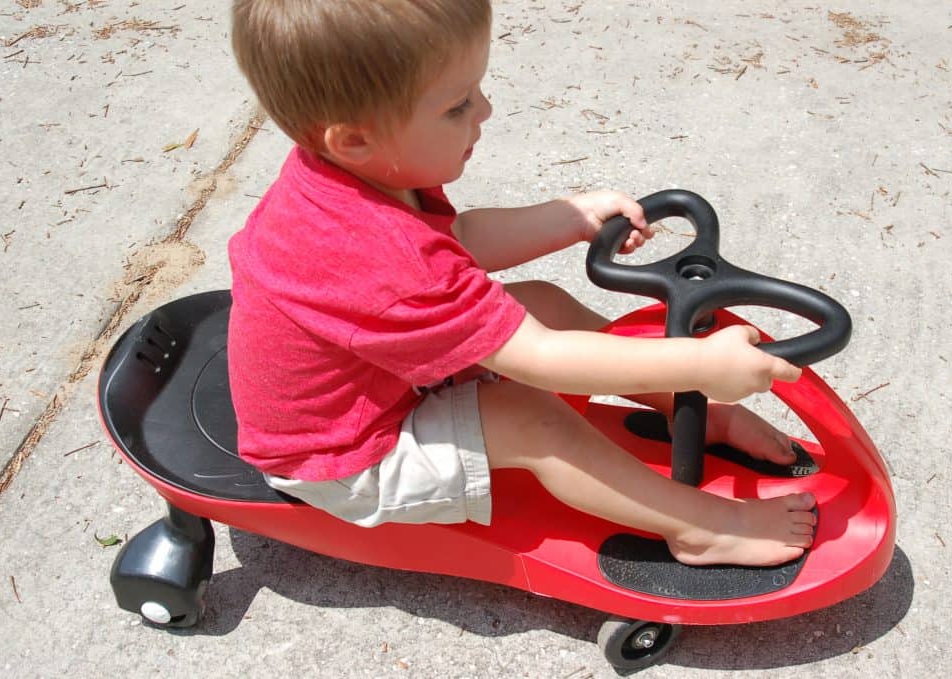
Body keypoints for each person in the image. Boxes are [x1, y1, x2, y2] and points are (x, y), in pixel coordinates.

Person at [227, 0, 816, 567]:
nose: (485, 111)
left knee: (542, 302)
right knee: (529, 417)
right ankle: (703, 529)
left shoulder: (358, 173)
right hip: (344, 458)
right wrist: (695, 363)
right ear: (353, 138)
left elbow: (455, 238)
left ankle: (692, 412)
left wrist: (571, 218)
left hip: (378, 381)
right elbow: (539, 359)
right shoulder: (379, 253)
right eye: (458, 105)